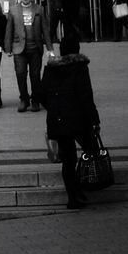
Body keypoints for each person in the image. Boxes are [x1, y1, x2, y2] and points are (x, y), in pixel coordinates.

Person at [39, 35, 101, 210]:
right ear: (77, 49)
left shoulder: (51, 69)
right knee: (91, 150)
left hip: (58, 119)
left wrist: (54, 107)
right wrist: (94, 120)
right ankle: (82, 186)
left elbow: (40, 94)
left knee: (68, 160)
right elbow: (86, 95)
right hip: (78, 117)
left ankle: (73, 197)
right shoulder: (80, 67)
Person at [4, 0, 53, 112]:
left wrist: (50, 49)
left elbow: (45, 30)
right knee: (20, 74)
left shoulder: (39, 9)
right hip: (18, 48)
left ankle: (35, 100)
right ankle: (24, 99)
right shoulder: (13, 10)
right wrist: (8, 48)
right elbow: (9, 30)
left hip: (35, 48)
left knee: (35, 75)